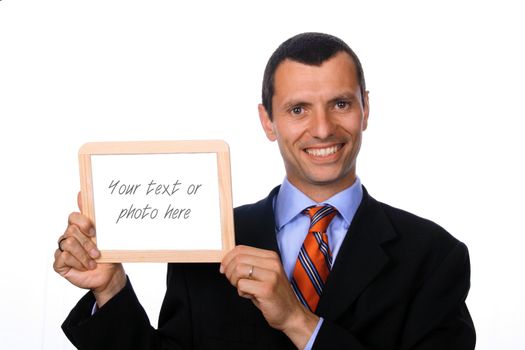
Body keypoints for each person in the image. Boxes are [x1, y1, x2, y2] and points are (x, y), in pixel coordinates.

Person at [54, 32, 476, 349]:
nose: (324, 128)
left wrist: (299, 321)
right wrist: (108, 290)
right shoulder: (209, 237)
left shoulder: (436, 257)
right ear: (267, 121)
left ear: (366, 108)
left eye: (341, 104)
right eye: (298, 109)